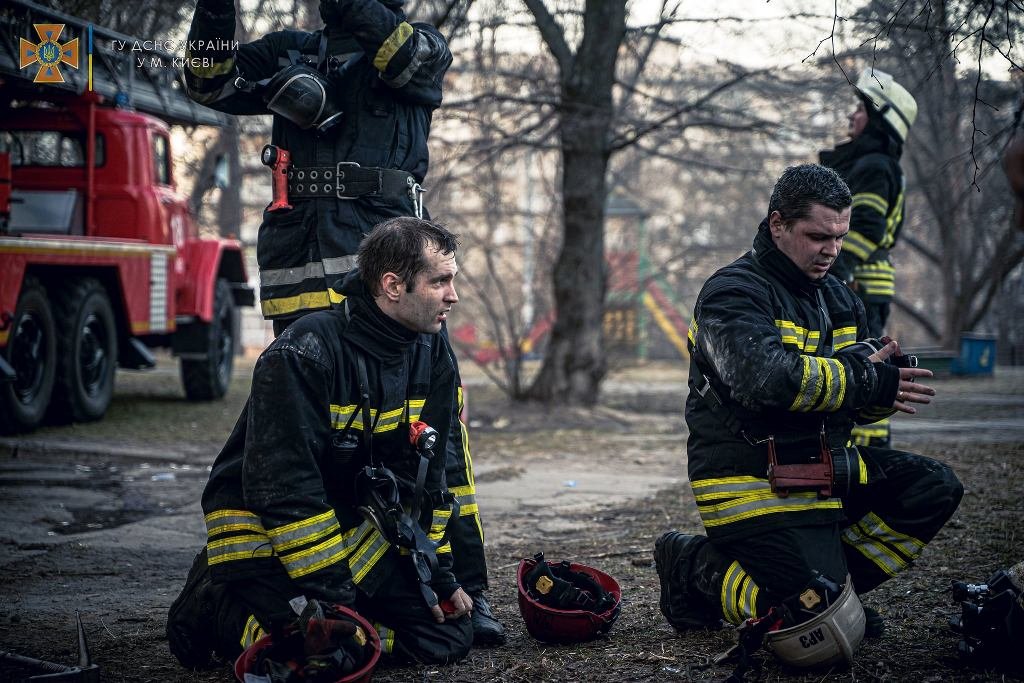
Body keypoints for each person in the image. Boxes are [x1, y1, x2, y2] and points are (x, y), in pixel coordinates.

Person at [184, 0, 505, 645]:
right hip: (296, 255)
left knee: (428, 432)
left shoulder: (417, 47)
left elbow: (404, 57)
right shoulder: (289, 52)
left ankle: (458, 578)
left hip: (382, 258)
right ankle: (271, 584)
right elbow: (208, 83)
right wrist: (216, 11)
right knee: (298, 426)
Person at [655, 165, 963, 659]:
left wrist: (877, 396)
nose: (832, 250)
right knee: (808, 632)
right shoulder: (731, 293)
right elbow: (766, 383)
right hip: (746, 481)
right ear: (777, 224)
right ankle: (693, 566)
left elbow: (841, 407)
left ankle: (834, 593)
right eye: (817, 236)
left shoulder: (840, 298)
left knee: (934, 487)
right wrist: (863, 379)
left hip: (820, 471)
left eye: (840, 237)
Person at [166, 218, 477, 668]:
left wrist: (437, 577)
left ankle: (347, 636)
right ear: (393, 285)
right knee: (321, 651)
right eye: (440, 281)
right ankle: (218, 607)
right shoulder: (305, 352)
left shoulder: (431, 354)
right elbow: (284, 489)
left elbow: (426, 483)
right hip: (266, 528)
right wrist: (336, 601)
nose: (454, 295)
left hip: (346, 526)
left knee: (445, 637)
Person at [819, 69, 917, 447]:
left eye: (861, 109)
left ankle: (869, 450)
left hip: (861, 284)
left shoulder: (874, 166)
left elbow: (865, 230)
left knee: (866, 361)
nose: (852, 116)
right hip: (862, 284)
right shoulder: (872, 163)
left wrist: (835, 273)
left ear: (878, 119)